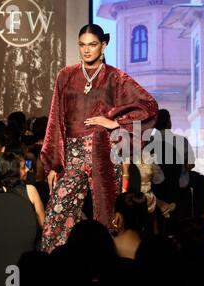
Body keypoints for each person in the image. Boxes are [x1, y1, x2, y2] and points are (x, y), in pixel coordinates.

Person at [40, 24, 158, 253]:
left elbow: (149, 105)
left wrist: (115, 122)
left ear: (103, 45)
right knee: (57, 211)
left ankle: (106, 270)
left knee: (107, 214)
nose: (86, 50)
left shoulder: (115, 77)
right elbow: (56, 117)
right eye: (82, 45)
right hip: (73, 155)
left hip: (104, 151)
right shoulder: (66, 75)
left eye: (92, 44)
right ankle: (57, 268)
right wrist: (53, 164)